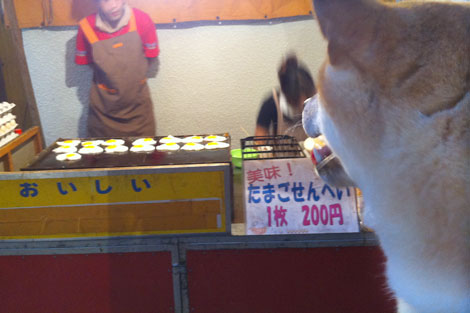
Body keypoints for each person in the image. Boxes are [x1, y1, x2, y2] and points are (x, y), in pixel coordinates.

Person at [75, 0, 159, 137]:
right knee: (103, 157)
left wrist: (132, 80)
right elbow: (88, 62)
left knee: (144, 156)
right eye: (106, 1)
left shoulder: (142, 20)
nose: (113, 5)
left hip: (139, 113)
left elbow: (151, 56)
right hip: (103, 114)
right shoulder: (86, 27)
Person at [255, 55, 316, 142]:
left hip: (312, 154)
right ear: (286, 94)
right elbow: (259, 141)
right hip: (280, 155)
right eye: (296, 101)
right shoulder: (271, 103)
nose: (301, 104)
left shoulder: (318, 101)